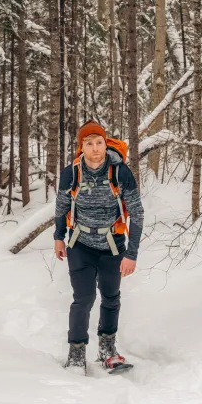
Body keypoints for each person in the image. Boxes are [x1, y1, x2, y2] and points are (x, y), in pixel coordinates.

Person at [54, 120, 144, 373]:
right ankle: (76, 354)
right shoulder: (71, 173)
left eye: (99, 143)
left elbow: (137, 213)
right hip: (79, 244)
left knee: (111, 298)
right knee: (83, 299)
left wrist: (132, 254)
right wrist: (58, 237)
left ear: (106, 144)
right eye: (89, 143)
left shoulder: (120, 172)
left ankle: (107, 350)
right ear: (81, 147)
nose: (95, 148)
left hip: (112, 246)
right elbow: (61, 207)